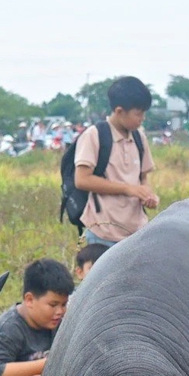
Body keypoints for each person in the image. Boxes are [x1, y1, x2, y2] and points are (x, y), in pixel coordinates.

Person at [70, 76, 157, 249]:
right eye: (138, 113)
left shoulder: (139, 138)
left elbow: (143, 178)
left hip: (136, 232)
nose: (142, 118)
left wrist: (147, 195)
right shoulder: (94, 136)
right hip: (103, 233)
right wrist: (128, 189)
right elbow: (82, 179)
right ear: (119, 111)